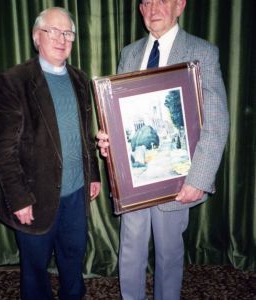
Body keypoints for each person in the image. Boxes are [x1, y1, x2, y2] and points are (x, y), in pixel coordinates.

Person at [97, 0, 229, 299]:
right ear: (140, 9)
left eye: (162, 0)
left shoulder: (203, 52)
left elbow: (217, 122)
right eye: (146, 1)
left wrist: (199, 178)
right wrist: (111, 143)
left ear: (180, 5)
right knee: (130, 251)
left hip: (179, 181)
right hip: (135, 183)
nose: (154, 8)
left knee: (169, 255)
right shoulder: (129, 53)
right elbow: (119, 115)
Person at [0, 7, 101, 300]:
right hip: (33, 198)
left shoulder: (80, 79)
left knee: (73, 263)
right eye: (53, 31)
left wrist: (93, 174)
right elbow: (2, 148)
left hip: (76, 196)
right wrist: (18, 198)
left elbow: (85, 134)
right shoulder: (14, 81)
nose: (61, 38)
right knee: (35, 274)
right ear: (36, 37)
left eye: (68, 33)